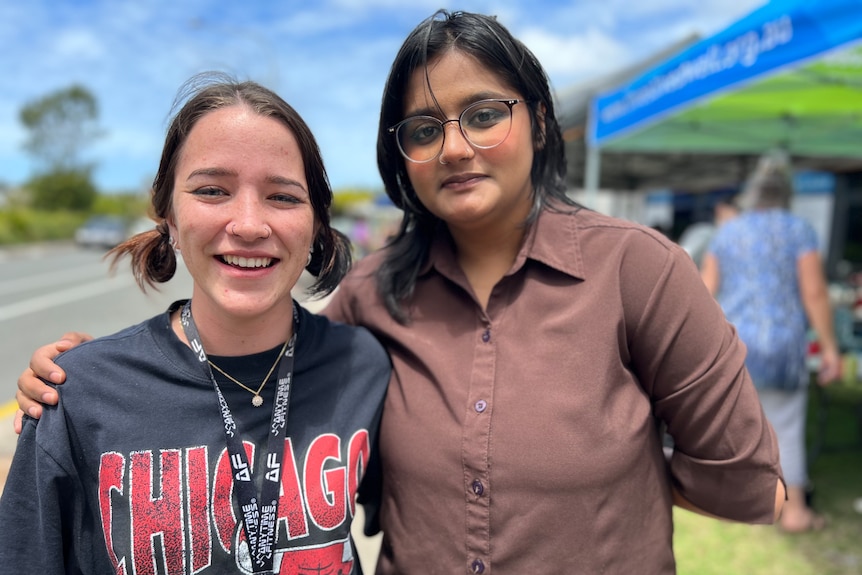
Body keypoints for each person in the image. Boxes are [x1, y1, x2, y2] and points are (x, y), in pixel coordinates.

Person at [17, 11, 784, 574]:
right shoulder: (369, 300)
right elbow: (277, 384)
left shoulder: (640, 271)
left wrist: (608, 484)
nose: (454, 146)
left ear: (541, 123)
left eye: (486, 114)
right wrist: (72, 386)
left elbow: (743, 480)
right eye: (422, 129)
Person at [1, 74, 390, 574]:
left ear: (316, 222)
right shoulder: (76, 396)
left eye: (284, 197)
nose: (249, 225)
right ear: (168, 216)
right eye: (212, 190)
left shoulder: (362, 366)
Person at [700, 152, 840, 534]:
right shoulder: (800, 230)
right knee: (786, 428)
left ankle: (735, 502)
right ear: (787, 192)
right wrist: (829, 348)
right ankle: (794, 512)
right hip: (782, 346)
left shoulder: (727, 232)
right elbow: (814, 292)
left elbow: (704, 293)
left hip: (735, 345)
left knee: (736, 426)